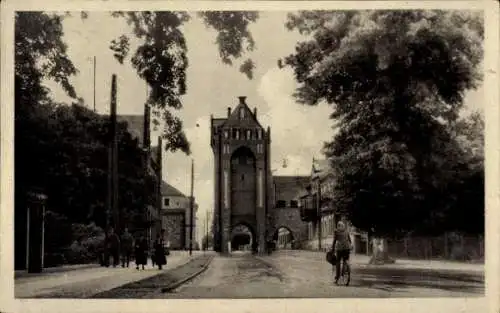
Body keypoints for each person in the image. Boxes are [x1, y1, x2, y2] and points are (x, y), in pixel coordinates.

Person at [332, 221, 353, 285]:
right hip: (347, 248)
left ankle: (337, 278)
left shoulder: (336, 231)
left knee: (337, 262)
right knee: (345, 260)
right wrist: (349, 245)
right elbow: (350, 240)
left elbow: (334, 241)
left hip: (339, 249)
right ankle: (344, 273)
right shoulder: (346, 231)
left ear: (338, 226)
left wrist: (332, 248)